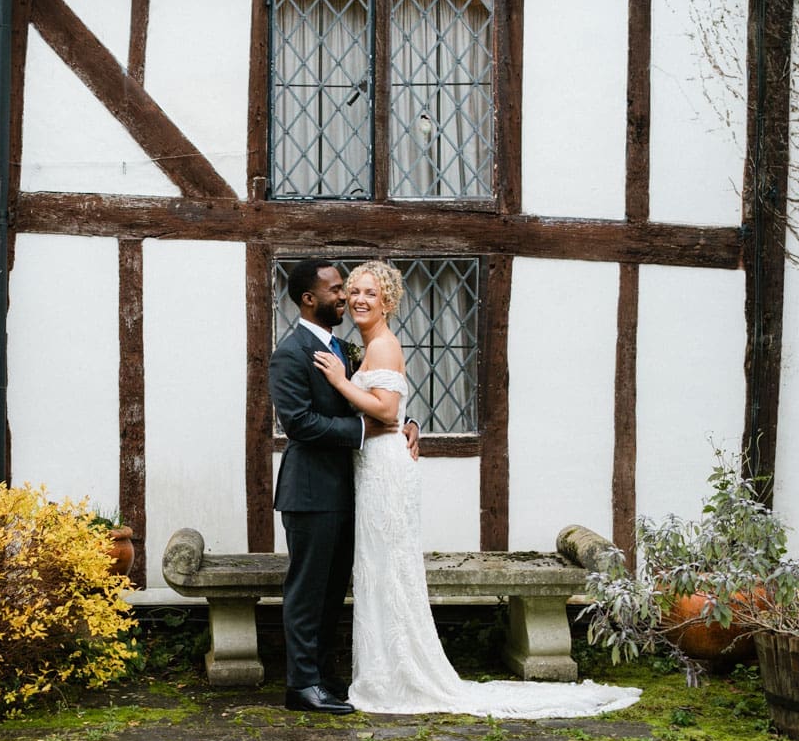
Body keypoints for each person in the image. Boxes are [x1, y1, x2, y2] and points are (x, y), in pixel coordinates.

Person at [312, 260, 642, 717]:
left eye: (371, 292)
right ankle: (384, 671)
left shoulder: (383, 346)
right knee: (378, 567)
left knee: (390, 567)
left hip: (386, 471)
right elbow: (395, 410)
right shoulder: (367, 346)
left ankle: (399, 675)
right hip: (373, 467)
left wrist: (340, 382)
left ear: (388, 301)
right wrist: (405, 418)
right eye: (354, 292)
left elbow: (386, 412)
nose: (360, 299)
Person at [268, 258, 419, 715]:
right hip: (311, 492)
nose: (346, 296)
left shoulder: (345, 346)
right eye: (337, 289)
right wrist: (363, 433)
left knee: (334, 591)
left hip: (347, 490)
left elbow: (377, 399)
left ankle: (324, 676)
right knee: (307, 590)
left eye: (350, 288)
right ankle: (301, 687)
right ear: (309, 299)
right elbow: (298, 423)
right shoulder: (290, 353)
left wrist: (404, 422)